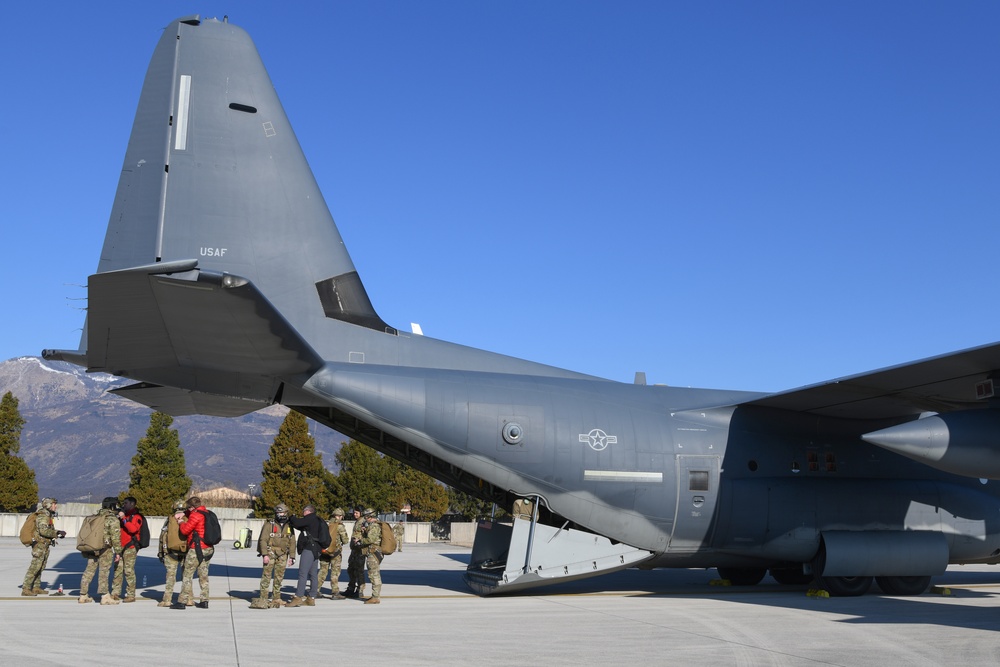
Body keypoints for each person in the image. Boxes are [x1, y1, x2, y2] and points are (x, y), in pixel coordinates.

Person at [251, 503, 295, 609]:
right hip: (270, 553)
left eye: (282, 512)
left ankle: (277, 597)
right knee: (266, 576)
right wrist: (264, 554)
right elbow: (263, 540)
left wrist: (292, 556)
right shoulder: (269, 524)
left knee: (279, 577)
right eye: (278, 512)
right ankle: (263, 597)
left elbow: (292, 541)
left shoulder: (289, 525)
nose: (280, 514)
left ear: (286, 513)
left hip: (283, 554)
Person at [79, 497, 122, 605]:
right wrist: (118, 552)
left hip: (92, 548)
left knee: (89, 571)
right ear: (112, 506)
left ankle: (83, 595)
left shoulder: (95, 517)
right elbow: (115, 537)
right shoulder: (112, 519)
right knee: (104, 572)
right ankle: (105, 596)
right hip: (105, 549)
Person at [172, 496, 212, 609]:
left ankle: (182, 601)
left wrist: (180, 522)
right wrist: (185, 513)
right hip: (208, 548)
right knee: (203, 575)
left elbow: (185, 530)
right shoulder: (206, 513)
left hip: (196, 548)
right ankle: (204, 600)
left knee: (187, 575)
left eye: (188, 508)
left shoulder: (195, 515)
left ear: (192, 507)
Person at [21, 497, 65, 596]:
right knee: (35, 567)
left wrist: (56, 534)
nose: (56, 506)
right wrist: (56, 532)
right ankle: (26, 588)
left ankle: (36, 587)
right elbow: (43, 531)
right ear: (48, 505)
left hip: (44, 545)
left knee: (40, 567)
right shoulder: (43, 516)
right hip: (39, 545)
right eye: (54, 504)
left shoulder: (47, 515)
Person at [286, 504, 323, 607]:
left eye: (304, 512)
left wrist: (292, 517)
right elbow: (300, 526)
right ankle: (311, 598)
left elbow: (298, 522)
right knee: (313, 574)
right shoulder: (317, 520)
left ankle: (298, 597)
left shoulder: (310, 518)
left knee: (303, 573)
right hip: (317, 550)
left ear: (308, 511)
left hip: (309, 549)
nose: (303, 514)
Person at [112, 496, 144, 602]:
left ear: (132, 504)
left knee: (129, 571)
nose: (124, 505)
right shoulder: (122, 515)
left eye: (126, 503)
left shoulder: (136, 516)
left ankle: (131, 594)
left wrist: (124, 519)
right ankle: (115, 593)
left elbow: (133, 529)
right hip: (120, 547)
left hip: (130, 547)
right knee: (118, 570)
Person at [157, 499, 188, 607]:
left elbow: (163, 536)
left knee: (170, 577)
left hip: (171, 552)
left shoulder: (170, 519)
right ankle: (188, 599)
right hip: (186, 552)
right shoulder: (188, 518)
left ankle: (167, 600)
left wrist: (161, 551)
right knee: (187, 577)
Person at [317, 507, 350, 598]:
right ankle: (335, 592)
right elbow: (346, 540)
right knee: (335, 572)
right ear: (340, 516)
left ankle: (315, 590)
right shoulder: (340, 526)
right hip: (335, 553)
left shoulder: (326, 524)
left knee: (322, 571)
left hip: (324, 551)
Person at [359, 508, 383, 604]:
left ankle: (375, 597)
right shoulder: (374, 526)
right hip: (374, 552)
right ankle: (375, 596)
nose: (365, 518)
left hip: (373, 553)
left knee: (374, 574)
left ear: (370, 516)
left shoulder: (374, 526)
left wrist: (360, 541)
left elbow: (370, 539)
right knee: (374, 574)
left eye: (366, 516)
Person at [344, 507, 366, 598]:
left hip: (360, 549)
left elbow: (366, 534)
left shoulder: (364, 522)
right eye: (354, 513)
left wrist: (360, 541)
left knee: (359, 571)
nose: (355, 514)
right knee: (351, 569)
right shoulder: (357, 521)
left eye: (357, 513)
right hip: (354, 549)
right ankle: (351, 588)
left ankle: (360, 590)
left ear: (361, 513)